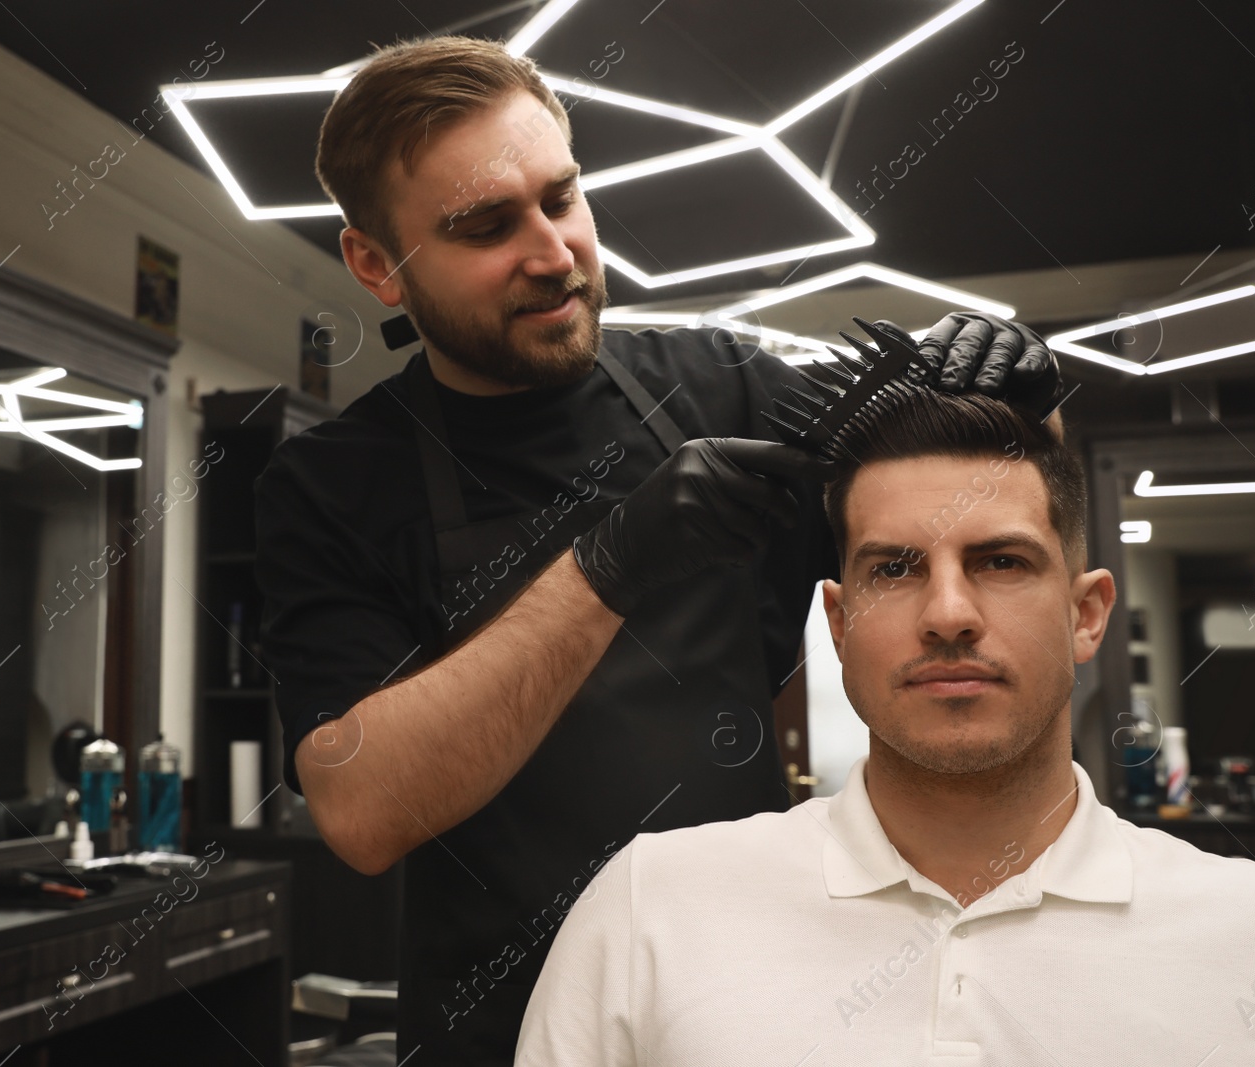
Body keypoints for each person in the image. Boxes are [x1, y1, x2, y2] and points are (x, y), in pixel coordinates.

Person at [254, 34, 1065, 1065]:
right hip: (494, 1029)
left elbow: (972, 538)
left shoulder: (720, 383)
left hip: (748, 1010)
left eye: (561, 198)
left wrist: (1018, 409)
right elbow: (360, 809)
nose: (551, 253)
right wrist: (608, 565)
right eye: (485, 226)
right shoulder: (331, 483)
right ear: (375, 262)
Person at [514, 386, 1255, 1065]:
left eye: (1001, 562)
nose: (947, 615)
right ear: (837, 622)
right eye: (895, 569)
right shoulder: (650, 910)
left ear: (1087, 616)